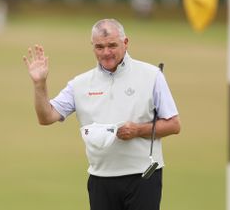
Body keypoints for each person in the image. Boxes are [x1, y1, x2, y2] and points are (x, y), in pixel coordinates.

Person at [23, 18, 181, 210]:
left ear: (125, 43)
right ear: (92, 46)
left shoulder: (152, 75)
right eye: (99, 47)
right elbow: (46, 117)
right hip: (101, 178)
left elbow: (174, 124)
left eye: (112, 45)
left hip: (143, 177)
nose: (106, 53)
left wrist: (138, 130)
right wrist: (39, 84)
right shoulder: (80, 84)